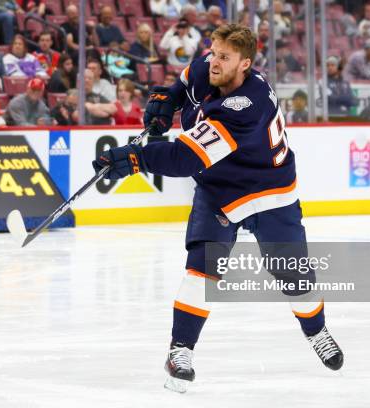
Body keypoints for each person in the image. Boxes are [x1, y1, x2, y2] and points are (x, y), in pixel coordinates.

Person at [91, 24, 344, 392]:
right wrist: (168, 101)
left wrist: (134, 158)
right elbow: (182, 84)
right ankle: (180, 350)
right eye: (213, 51)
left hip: (269, 193)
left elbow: (182, 159)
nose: (214, 61)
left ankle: (317, 331)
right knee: (202, 271)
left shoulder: (245, 105)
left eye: (225, 57)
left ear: (245, 64)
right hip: (219, 191)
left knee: (295, 279)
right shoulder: (209, 66)